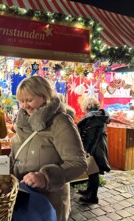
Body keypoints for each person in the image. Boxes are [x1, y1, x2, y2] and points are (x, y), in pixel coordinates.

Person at [11, 76, 87, 221]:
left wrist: (46, 177)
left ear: (45, 96)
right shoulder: (22, 122)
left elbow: (78, 163)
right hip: (22, 197)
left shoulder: (60, 122)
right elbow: (15, 158)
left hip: (49, 201)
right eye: (21, 101)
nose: (25, 105)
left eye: (29, 100)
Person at [77, 96, 111, 204]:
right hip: (99, 146)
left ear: (86, 106)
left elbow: (89, 137)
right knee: (92, 171)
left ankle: (93, 197)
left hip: (93, 148)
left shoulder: (92, 119)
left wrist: (85, 151)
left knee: (93, 172)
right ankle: (89, 191)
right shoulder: (100, 116)